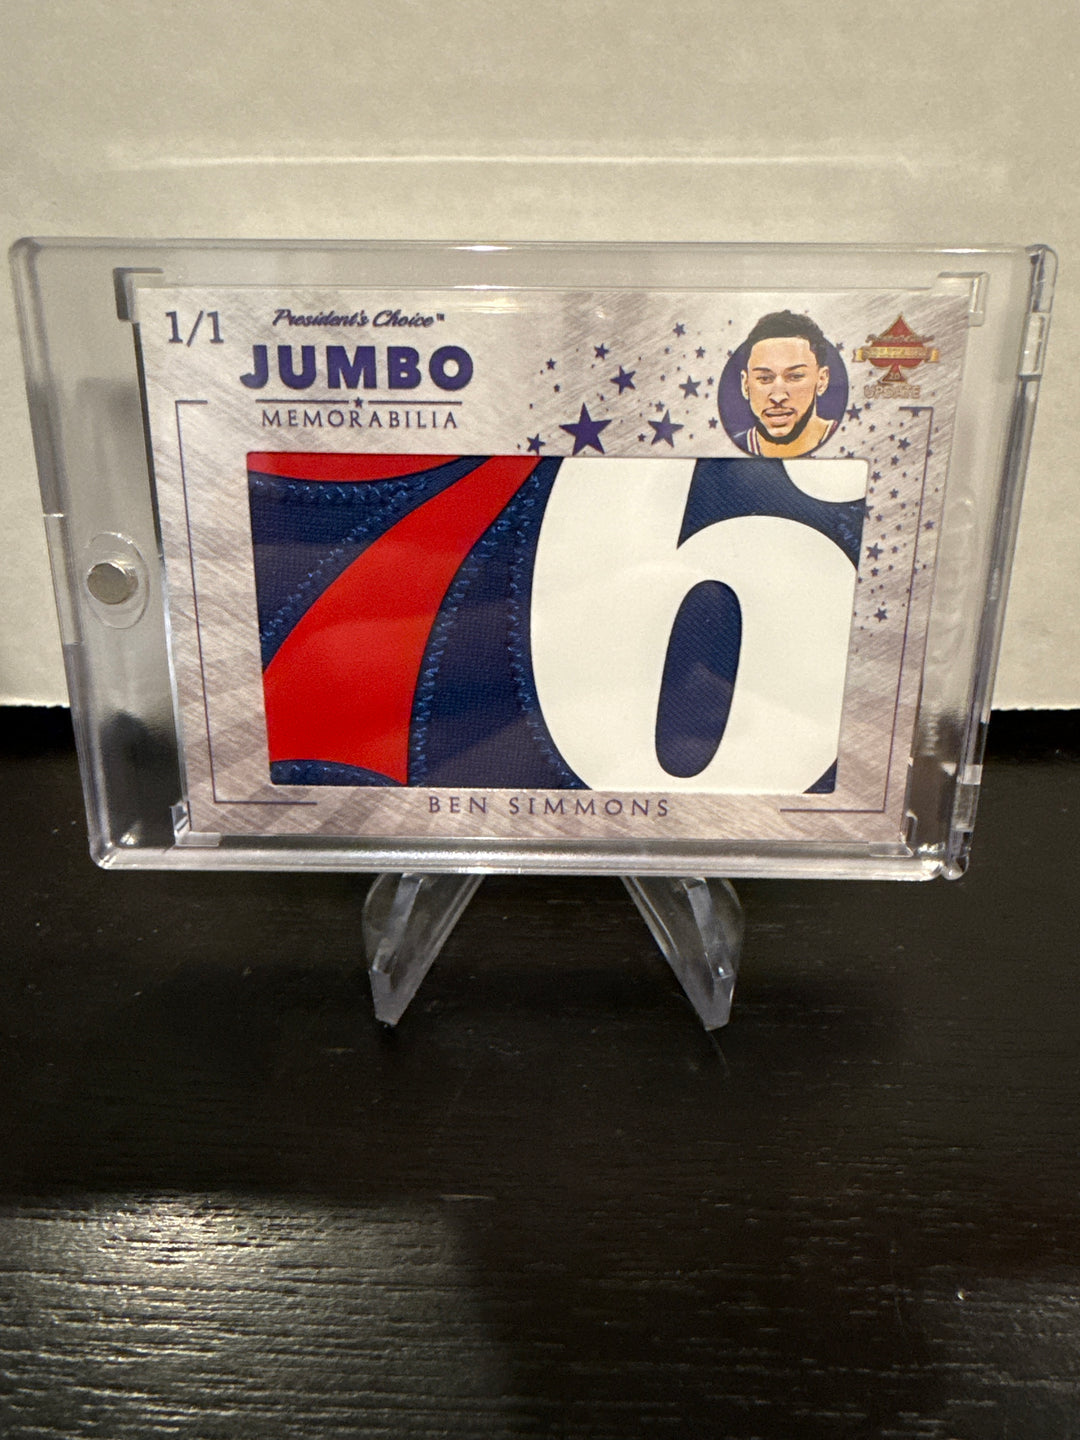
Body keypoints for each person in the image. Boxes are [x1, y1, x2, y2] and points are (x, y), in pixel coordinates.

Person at [734, 310, 838, 458]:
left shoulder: (849, 439)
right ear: (745, 385)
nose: (778, 397)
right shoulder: (726, 449)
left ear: (822, 380)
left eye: (795, 376)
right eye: (764, 378)